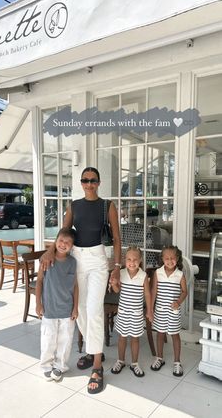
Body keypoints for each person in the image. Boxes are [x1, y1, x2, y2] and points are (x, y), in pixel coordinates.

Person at [41, 167, 121, 394]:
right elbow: (64, 233)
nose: (89, 184)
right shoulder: (74, 206)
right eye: (85, 180)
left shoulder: (108, 206)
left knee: (94, 309)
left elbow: (116, 238)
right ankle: (93, 350)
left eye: (92, 180)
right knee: (80, 310)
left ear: (99, 182)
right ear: (81, 182)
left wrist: (116, 267)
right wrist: (49, 250)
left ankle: (97, 366)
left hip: (97, 259)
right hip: (78, 258)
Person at [36, 227, 78, 381]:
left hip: (67, 310)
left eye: (68, 242)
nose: (63, 244)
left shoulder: (73, 262)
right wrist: (38, 304)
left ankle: (60, 366)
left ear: (72, 246)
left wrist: (75, 307)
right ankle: (46, 365)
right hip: (49, 308)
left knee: (65, 340)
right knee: (48, 339)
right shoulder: (46, 259)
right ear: (55, 241)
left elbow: (75, 286)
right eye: (61, 240)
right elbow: (39, 281)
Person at [109, 246, 153, 377]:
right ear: (124, 260)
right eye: (129, 259)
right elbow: (117, 291)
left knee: (135, 339)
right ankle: (120, 361)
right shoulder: (121, 273)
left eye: (135, 259)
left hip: (136, 314)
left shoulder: (143, 275)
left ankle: (134, 363)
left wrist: (149, 311)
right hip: (123, 312)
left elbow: (147, 295)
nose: (131, 262)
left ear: (140, 260)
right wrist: (114, 284)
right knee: (122, 338)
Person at [150, 245, 188, 377]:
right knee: (160, 334)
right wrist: (150, 308)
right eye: (167, 258)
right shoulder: (158, 273)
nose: (170, 260)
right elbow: (153, 291)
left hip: (173, 311)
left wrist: (178, 302)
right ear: (162, 259)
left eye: (172, 258)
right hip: (160, 310)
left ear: (177, 259)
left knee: (174, 335)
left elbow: (184, 292)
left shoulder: (180, 274)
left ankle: (177, 362)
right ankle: (159, 358)